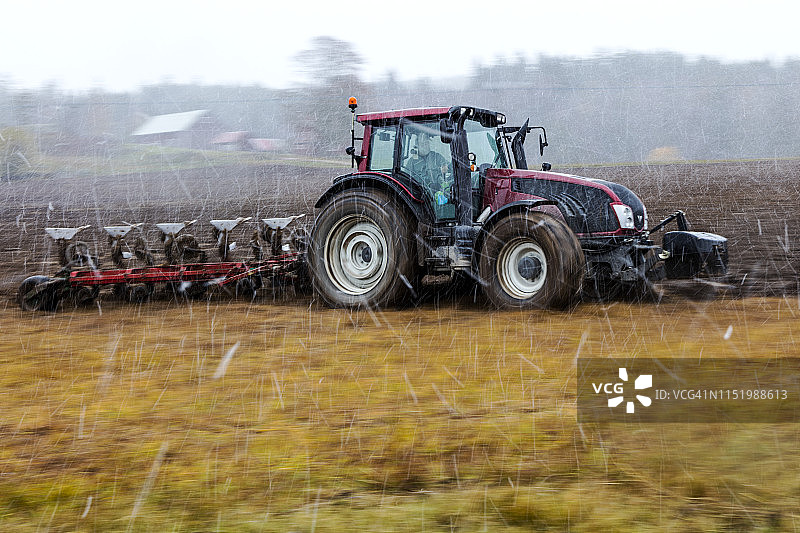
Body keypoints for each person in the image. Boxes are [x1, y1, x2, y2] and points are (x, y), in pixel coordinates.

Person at [406, 132, 451, 200]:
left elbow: (449, 167)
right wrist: (425, 185)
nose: (425, 145)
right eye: (422, 143)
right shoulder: (412, 162)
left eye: (426, 143)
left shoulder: (436, 157)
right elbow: (407, 179)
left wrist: (446, 168)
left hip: (439, 193)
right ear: (417, 145)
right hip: (420, 195)